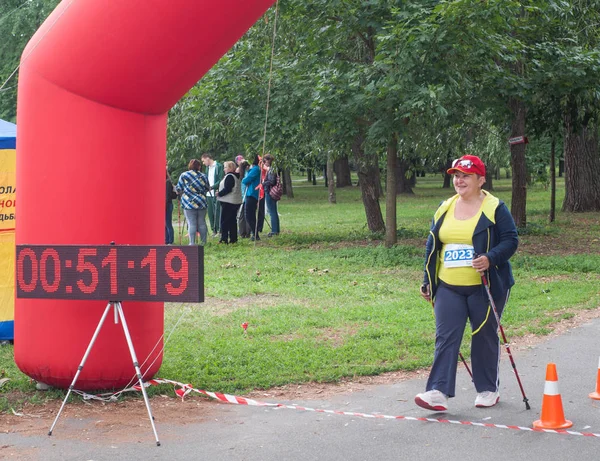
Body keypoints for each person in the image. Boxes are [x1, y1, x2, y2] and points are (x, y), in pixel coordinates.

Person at [415, 154, 518, 412]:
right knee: (446, 336)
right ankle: (437, 391)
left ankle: (487, 389)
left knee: (483, 335)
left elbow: (510, 240)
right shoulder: (445, 207)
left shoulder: (495, 207)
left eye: (466, 176)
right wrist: (427, 280)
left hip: (486, 285)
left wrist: (489, 258)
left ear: (481, 179)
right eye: (456, 176)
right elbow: (432, 245)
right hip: (449, 285)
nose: (459, 181)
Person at [176, 159, 209, 245]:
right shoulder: (203, 176)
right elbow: (207, 188)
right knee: (202, 222)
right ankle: (203, 242)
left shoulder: (184, 175)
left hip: (188, 202)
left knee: (191, 223)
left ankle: (192, 243)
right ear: (199, 166)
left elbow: (179, 188)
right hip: (201, 202)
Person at [216, 161, 242, 244]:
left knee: (225, 221)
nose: (224, 169)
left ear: (230, 168)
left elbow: (228, 189)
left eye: (225, 167)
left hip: (228, 202)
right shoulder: (236, 176)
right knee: (232, 221)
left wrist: (219, 193)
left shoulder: (230, 176)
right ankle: (233, 239)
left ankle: (224, 238)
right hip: (234, 201)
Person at [201, 153, 224, 237]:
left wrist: (212, 187)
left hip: (215, 192)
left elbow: (221, 179)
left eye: (203, 161)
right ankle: (213, 229)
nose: (203, 163)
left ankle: (219, 229)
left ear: (207, 158)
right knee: (210, 212)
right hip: (208, 193)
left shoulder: (218, 166)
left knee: (217, 211)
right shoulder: (207, 168)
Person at [241, 155, 262, 241]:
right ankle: (255, 233)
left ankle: (255, 233)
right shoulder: (253, 169)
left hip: (252, 194)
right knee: (250, 215)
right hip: (250, 194)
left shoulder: (255, 169)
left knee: (249, 215)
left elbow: (245, 180)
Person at [261, 154, 280, 237]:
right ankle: (276, 229)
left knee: (272, 212)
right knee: (273, 211)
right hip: (270, 191)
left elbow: (272, 181)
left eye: (264, 161)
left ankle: (274, 230)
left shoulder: (271, 170)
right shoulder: (271, 169)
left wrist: (263, 183)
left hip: (270, 192)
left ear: (268, 161)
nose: (264, 163)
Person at [237, 160, 252, 238]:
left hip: (240, 197)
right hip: (246, 197)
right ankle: (248, 232)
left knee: (241, 216)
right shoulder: (247, 174)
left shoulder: (239, 175)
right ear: (247, 167)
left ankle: (242, 232)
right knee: (247, 215)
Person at [165, 168, 178, 244]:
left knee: (168, 223)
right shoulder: (166, 182)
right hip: (165, 204)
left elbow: (167, 196)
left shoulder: (167, 182)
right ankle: (166, 240)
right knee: (165, 224)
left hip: (167, 205)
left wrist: (165, 207)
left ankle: (170, 240)